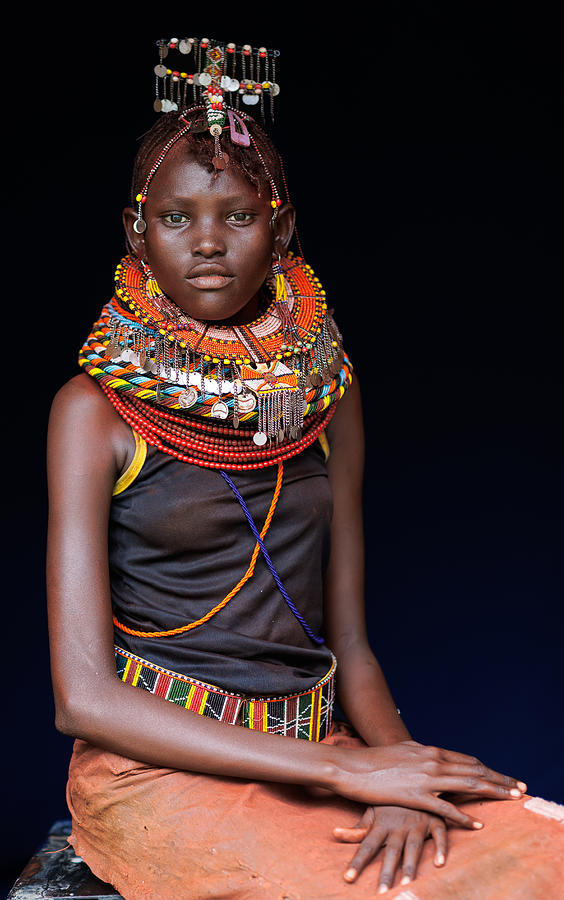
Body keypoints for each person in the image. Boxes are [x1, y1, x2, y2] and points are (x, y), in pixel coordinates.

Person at [47, 38, 535, 900]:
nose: (207, 243)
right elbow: (84, 699)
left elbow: (349, 643)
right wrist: (351, 776)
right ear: (136, 230)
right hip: (156, 779)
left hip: (321, 752)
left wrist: (395, 771)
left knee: (543, 853)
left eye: (238, 216)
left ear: (282, 227)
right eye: (175, 219)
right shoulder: (93, 414)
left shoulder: (328, 391)